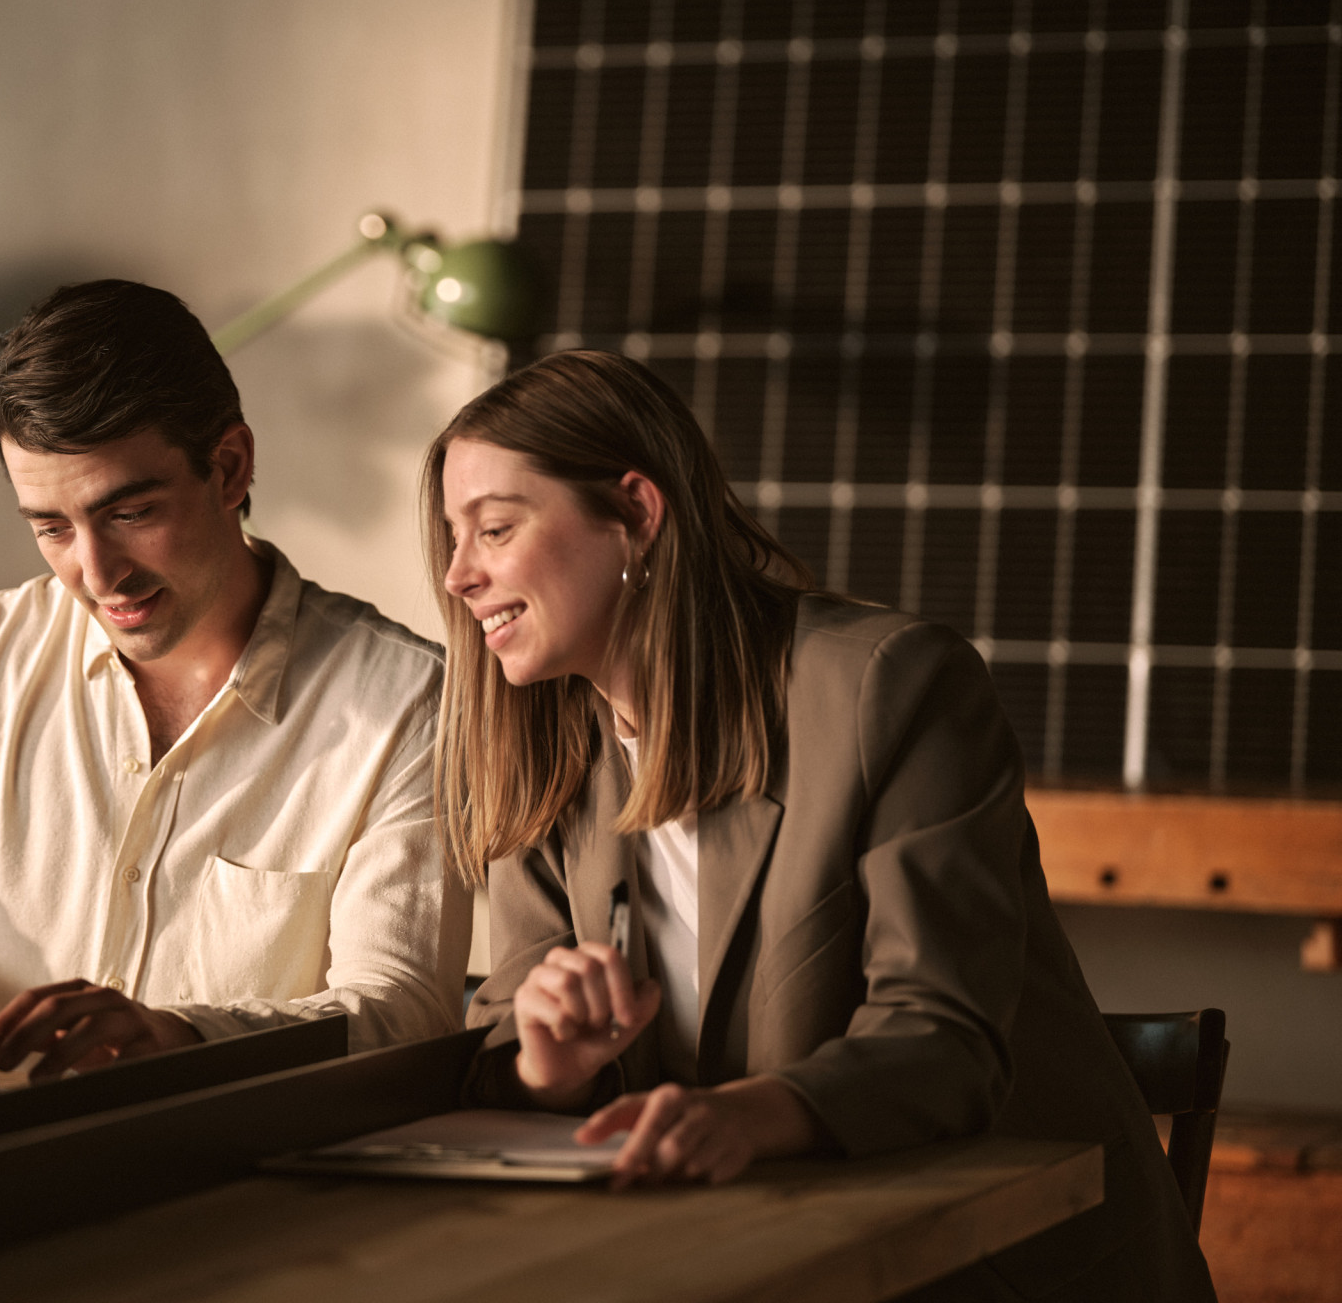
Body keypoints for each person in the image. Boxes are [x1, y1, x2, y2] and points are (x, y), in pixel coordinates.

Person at [425, 350, 1214, 1300]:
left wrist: (746, 1118)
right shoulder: (544, 754)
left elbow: (941, 1036)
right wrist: (551, 1068)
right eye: (451, 539)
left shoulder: (889, 684)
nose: (458, 575)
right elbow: (511, 1038)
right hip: (737, 1254)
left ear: (635, 512)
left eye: (495, 529)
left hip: (987, 1265)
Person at [0, 279, 470, 1078]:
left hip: (238, 1178)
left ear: (229, 468)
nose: (96, 573)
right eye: (52, 528)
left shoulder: (408, 705)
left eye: (129, 514)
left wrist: (181, 1040)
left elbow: (404, 1012)